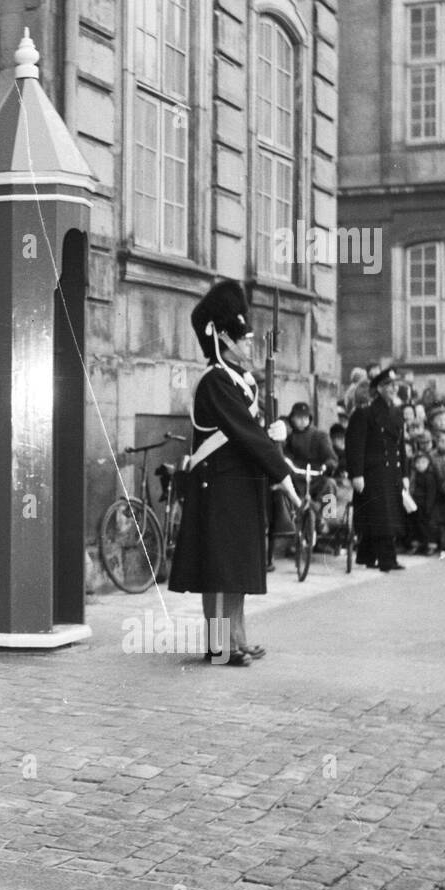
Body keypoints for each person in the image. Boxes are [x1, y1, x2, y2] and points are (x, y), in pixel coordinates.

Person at [168, 280, 298, 666]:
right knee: (221, 570)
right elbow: (243, 433)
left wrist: (277, 432)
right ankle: (219, 646)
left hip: (238, 488)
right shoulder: (215, 382)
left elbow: (250, 431)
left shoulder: (238, 383)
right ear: (224, 341)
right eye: (244, 342)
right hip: (219, 488)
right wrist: (283, 473)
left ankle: (237, 637)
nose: (250, 348)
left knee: (236, 568)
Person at [346, 364, 407, 571]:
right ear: (379, 388)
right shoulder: (365, 414)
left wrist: (404, 473)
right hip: (373, 473)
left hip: (391, 472)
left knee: (383, 514)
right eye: (388, 385)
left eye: (394, 385)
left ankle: (366, 556)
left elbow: (401, 446)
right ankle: (387, 560)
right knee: (382, 516)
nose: (393, 389)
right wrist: (356, 474)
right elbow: (355, 446)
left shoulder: (397, 413)